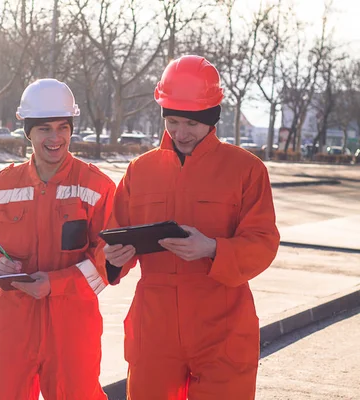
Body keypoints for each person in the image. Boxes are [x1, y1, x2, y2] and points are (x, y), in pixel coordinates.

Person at [96, 55, 280, 399]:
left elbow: (263, 242)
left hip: (222, 324)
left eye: (191, 124)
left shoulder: (246, 170)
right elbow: (112, 234)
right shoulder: (141, 170)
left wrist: (212, 248)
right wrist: (114, 259)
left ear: (212, 120)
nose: (180, 133)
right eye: (173, 121)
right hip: (155, 325)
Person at [0, 78, 115, 400]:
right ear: (29, 133)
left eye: (63, 128)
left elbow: (111, 261)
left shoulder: (97, 187)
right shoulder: (2, 185)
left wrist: (56, 284)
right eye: (44, 129)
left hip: (72, 324)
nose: (55, 138)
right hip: (11, 322)